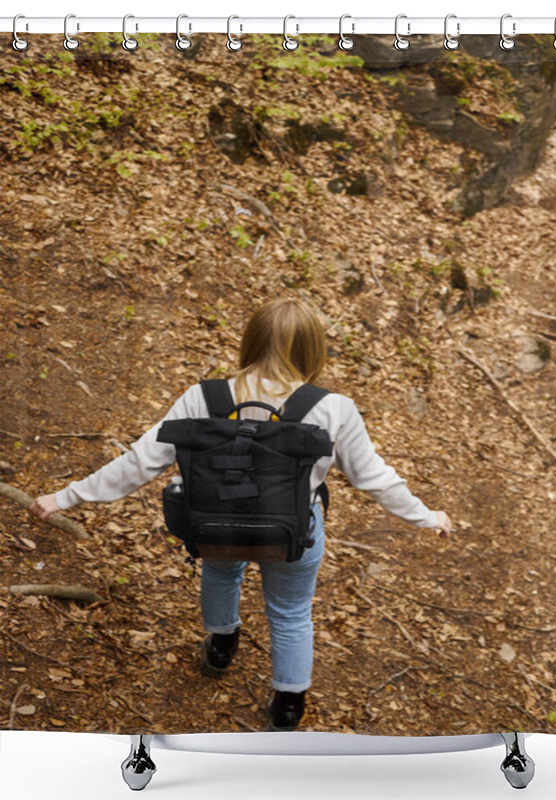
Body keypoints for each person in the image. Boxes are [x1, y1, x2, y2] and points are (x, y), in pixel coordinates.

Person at [29, 297, 452, 731]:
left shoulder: (204, 396)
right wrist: (427, 516)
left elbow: (141, 461)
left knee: (220, 574)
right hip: (294, 533)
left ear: (250, 341)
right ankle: (288, 706)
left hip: (217, 523)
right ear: (313, 350)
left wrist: (67, 497)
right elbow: (373, 477)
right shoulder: (332, 407)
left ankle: (222, 645)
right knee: (290, 612)